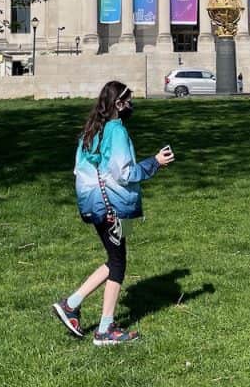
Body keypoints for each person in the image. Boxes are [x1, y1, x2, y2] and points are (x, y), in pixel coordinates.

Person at [53, 81, 175, 345]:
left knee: (115, 259)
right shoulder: (116, 130)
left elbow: (79, 170)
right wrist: (155, 163)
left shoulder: (90, 131)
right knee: (118, 263)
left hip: (94, 205)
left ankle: (72, 305)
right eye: (128, 101)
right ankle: (103, 329)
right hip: (113, 206)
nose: (131, 105)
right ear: (118, 104)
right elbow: (125, 173)